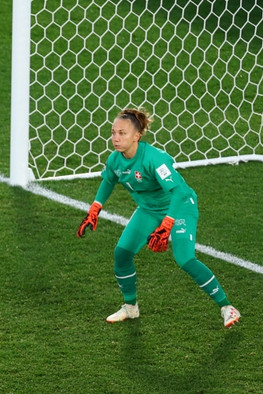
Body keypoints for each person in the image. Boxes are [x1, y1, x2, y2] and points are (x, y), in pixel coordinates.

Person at [77, 107, 240, 328]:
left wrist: (167, 223)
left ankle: (226, 307)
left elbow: (179, 192)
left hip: (180, 207)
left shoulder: (155, 159)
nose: (115, 138)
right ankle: (130, 308)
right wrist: (95, 209)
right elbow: (108, 180)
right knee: (122, 253)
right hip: (149, 210)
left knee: (185, 259)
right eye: (113, 132)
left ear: (137, 136)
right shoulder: (115, 160)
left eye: (122, 133)